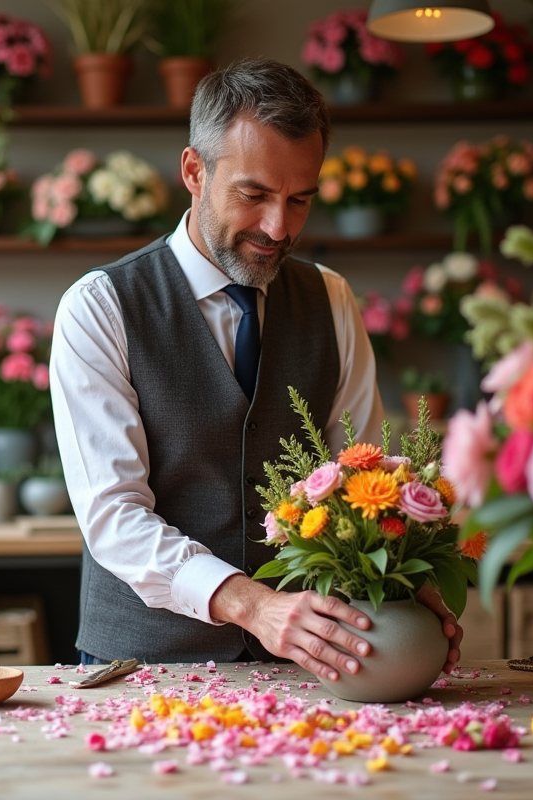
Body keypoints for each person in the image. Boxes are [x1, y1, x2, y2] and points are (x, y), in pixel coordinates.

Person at [49, 58, 462, 682]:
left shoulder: (331, 298)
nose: (278, 227)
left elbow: (363, 478)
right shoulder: (99, 306)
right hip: (140, 667)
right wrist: (254, 606)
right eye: (254, 195)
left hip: (306, 667)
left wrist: (400, 581)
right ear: (194, 171)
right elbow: (114, 515)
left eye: (300, 200)